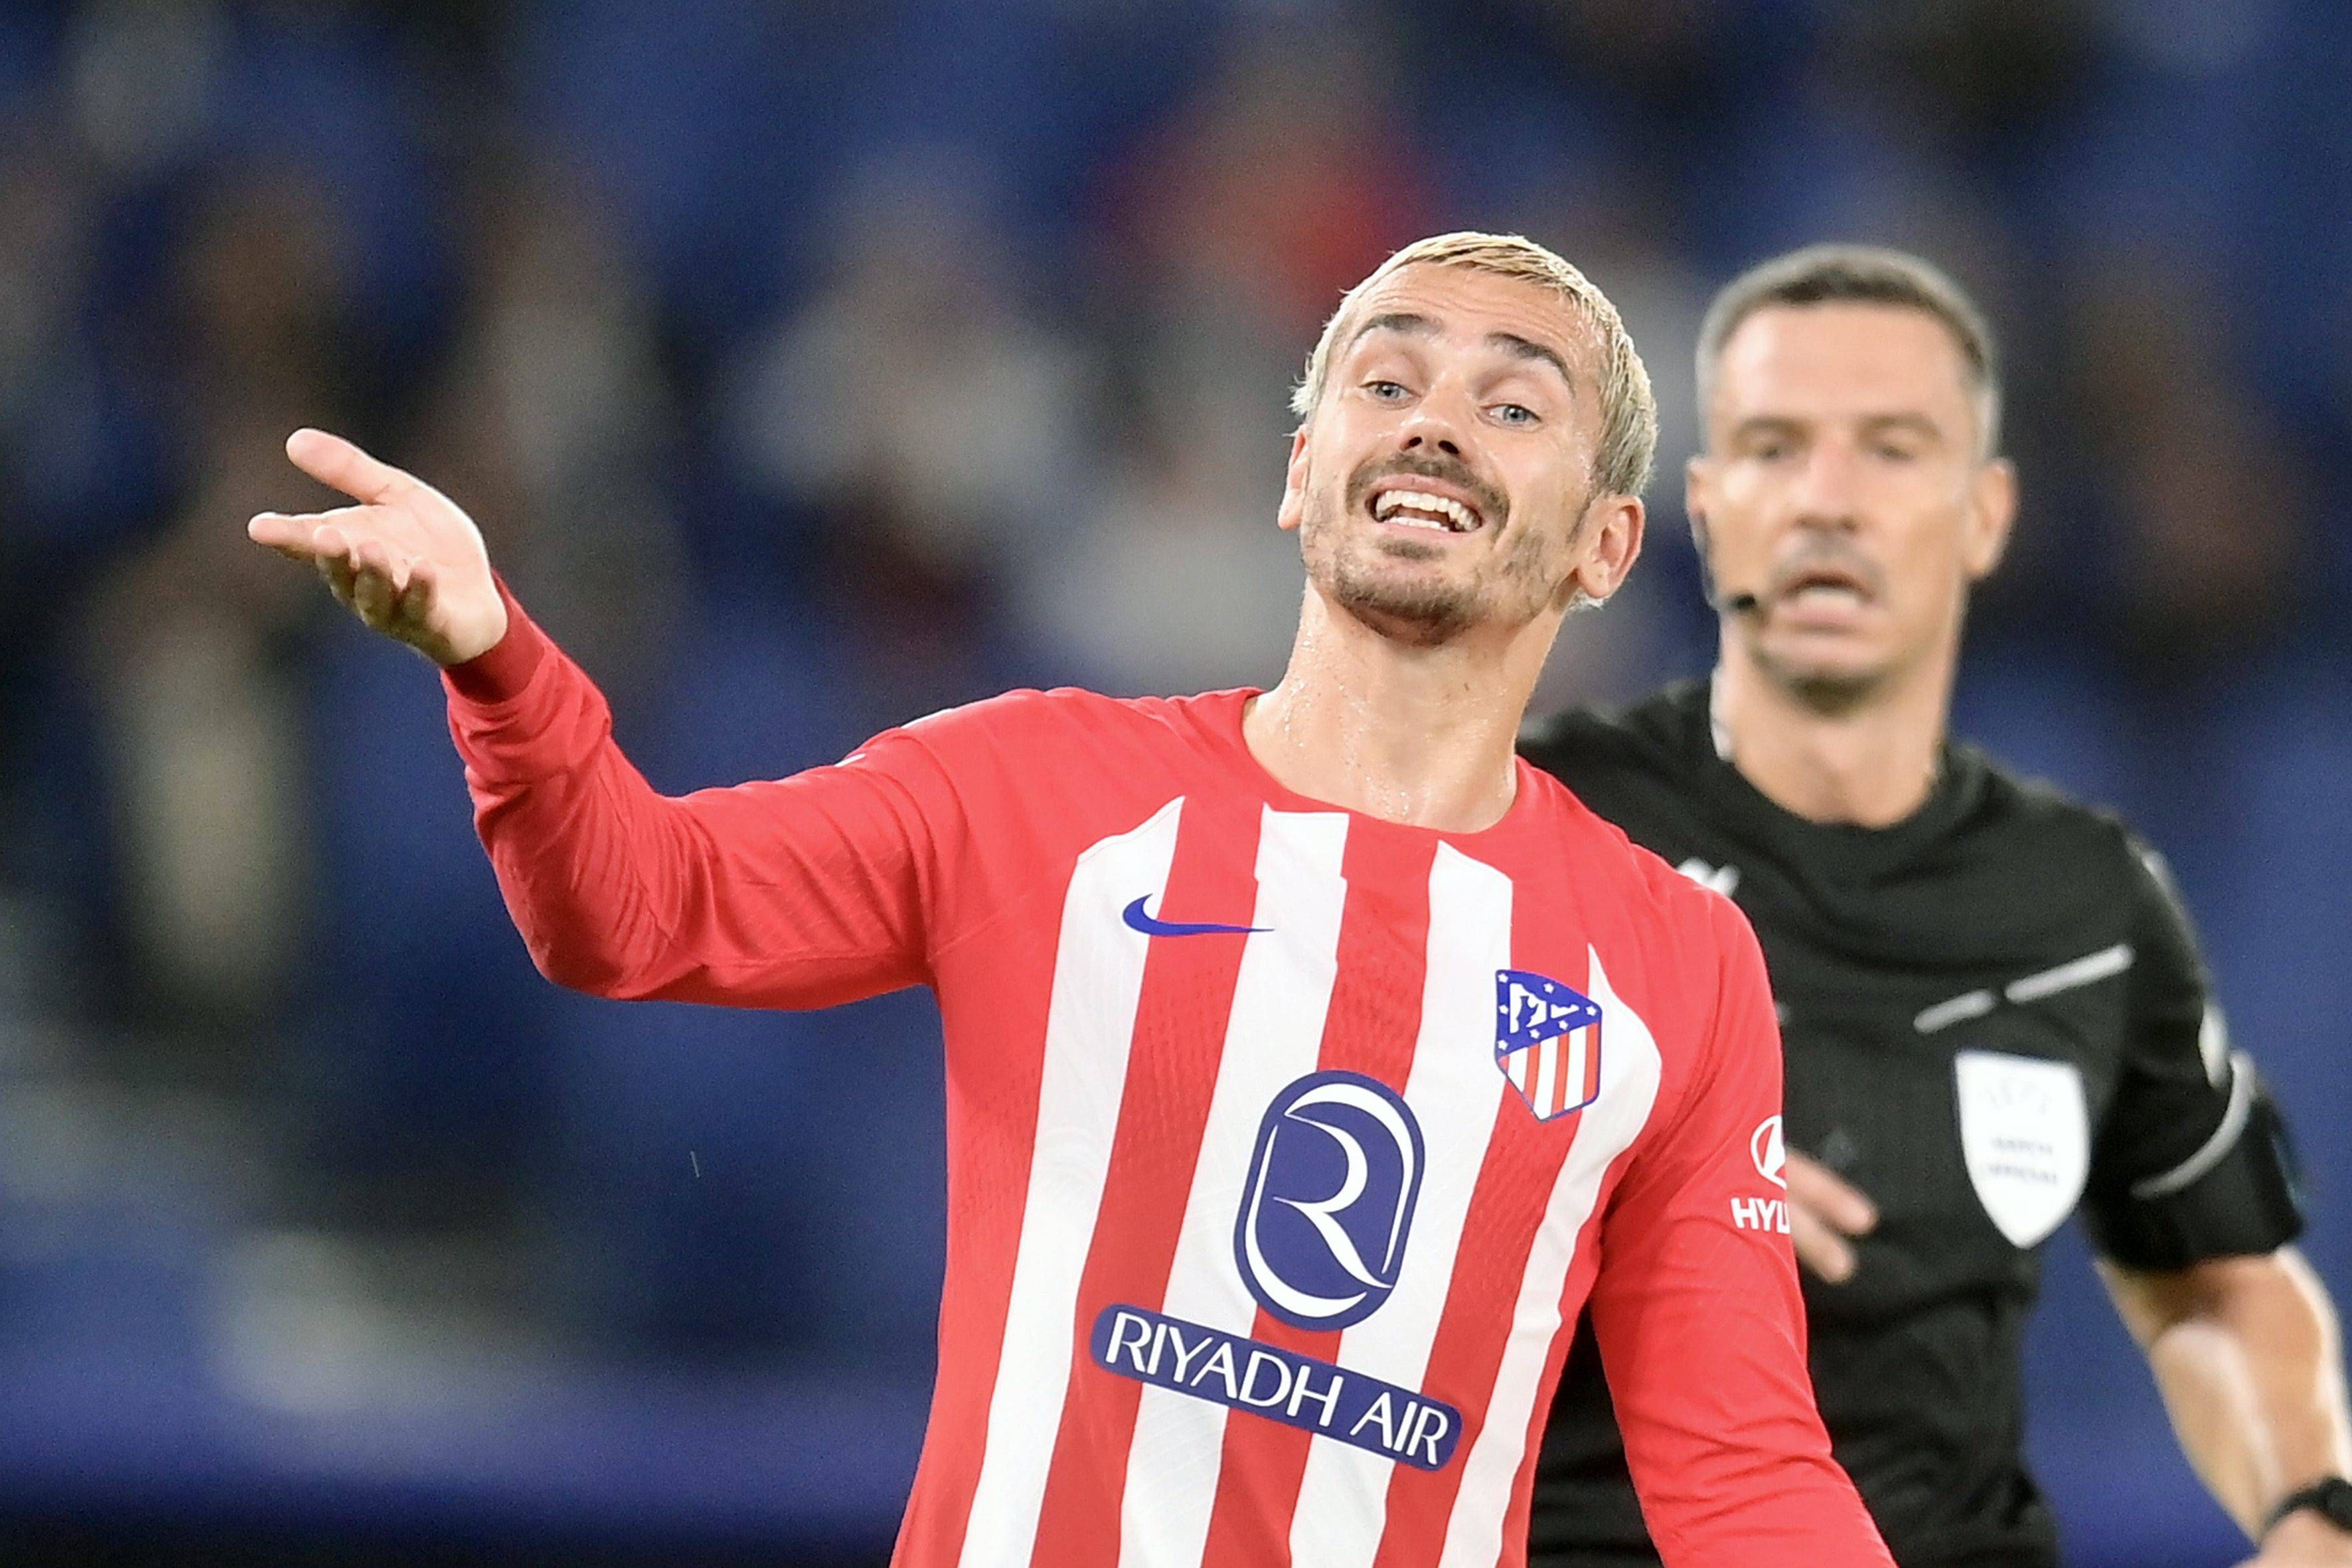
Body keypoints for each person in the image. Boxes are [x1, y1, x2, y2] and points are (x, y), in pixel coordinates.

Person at [246, 232, 1893, 1567]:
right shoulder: (1034, 789)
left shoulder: (1674, 967)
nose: (1435, 419)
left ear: (1606, 546)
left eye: (1511, 402)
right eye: (1385, 378)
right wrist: (495, 660)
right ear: (1299, 468)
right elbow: (636, 904)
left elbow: (1740, 1471)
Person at [1521, 245, 2352, 1568]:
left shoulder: (2084, 895)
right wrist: (1625, 1170)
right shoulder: (1529, 818)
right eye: (1772, 446)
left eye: (1891, 449)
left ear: (1985, 512)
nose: (1826, 503)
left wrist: (2314, 1509)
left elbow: (2214, 1277)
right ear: (1700, 504)